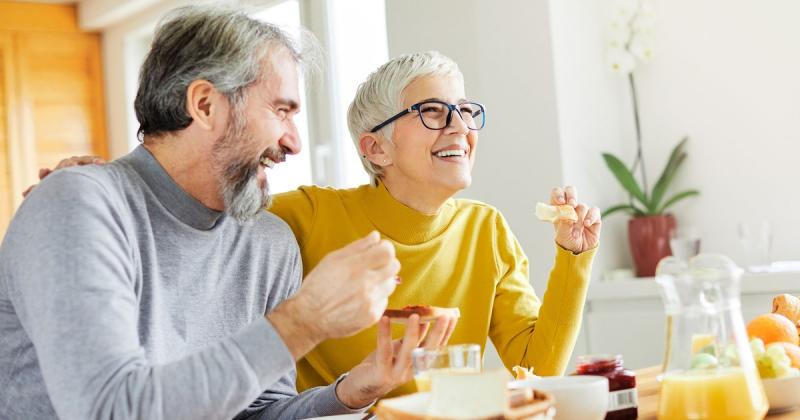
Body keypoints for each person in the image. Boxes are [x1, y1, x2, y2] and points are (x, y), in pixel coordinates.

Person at [35, 51, 602, 398]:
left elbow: (538, 364)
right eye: (432, 111)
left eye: (465, 110)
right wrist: (107, 180)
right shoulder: (305, 215)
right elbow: (195, 202)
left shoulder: (487, 230)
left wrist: (573, 259)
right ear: (374, 147)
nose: (458, 126)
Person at [0, 6, 451, 420]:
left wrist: (349, 393)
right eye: (281, 111)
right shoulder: (79, 206)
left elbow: (254, 411)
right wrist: (303, 320)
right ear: (204, 105)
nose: (294, 141)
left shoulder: (267, 243)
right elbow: (112, 409)